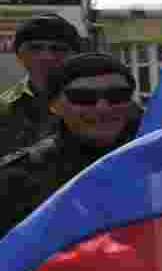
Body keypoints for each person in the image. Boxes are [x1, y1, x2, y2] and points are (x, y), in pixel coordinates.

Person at [0, 53, 140, 236]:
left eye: (117, 95)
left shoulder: (159, 163)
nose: (102, 107)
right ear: (54, 105)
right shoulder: (16, 178)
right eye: (83, 97)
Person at [0, 13, 82, 157]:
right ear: (19, 54)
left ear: (75, 54)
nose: (46, 57)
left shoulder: (106, 101)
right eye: (35, 48)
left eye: (58, 49)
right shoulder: (3, 106)